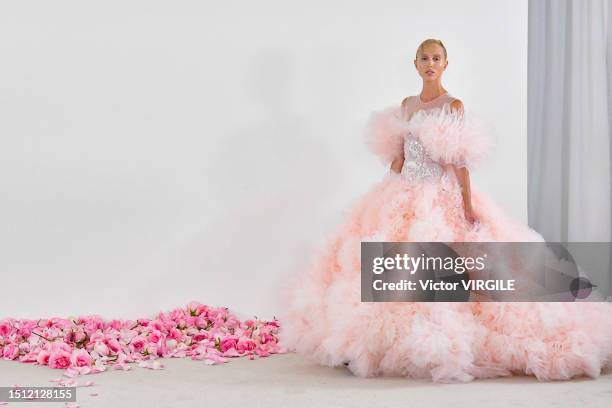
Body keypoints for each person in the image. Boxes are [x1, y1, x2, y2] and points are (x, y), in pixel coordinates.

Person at [278, 39, 612, 382]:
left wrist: (466, 204)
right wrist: (388, 180)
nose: (430, 63)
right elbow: (400, 156)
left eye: (436, 58)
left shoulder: (453, 105)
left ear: (446, 63)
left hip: (438, 195)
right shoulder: (407, 105)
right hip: (401, 193)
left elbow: (459, 161)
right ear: (416, 63)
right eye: (424, 58)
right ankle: (369, 341)